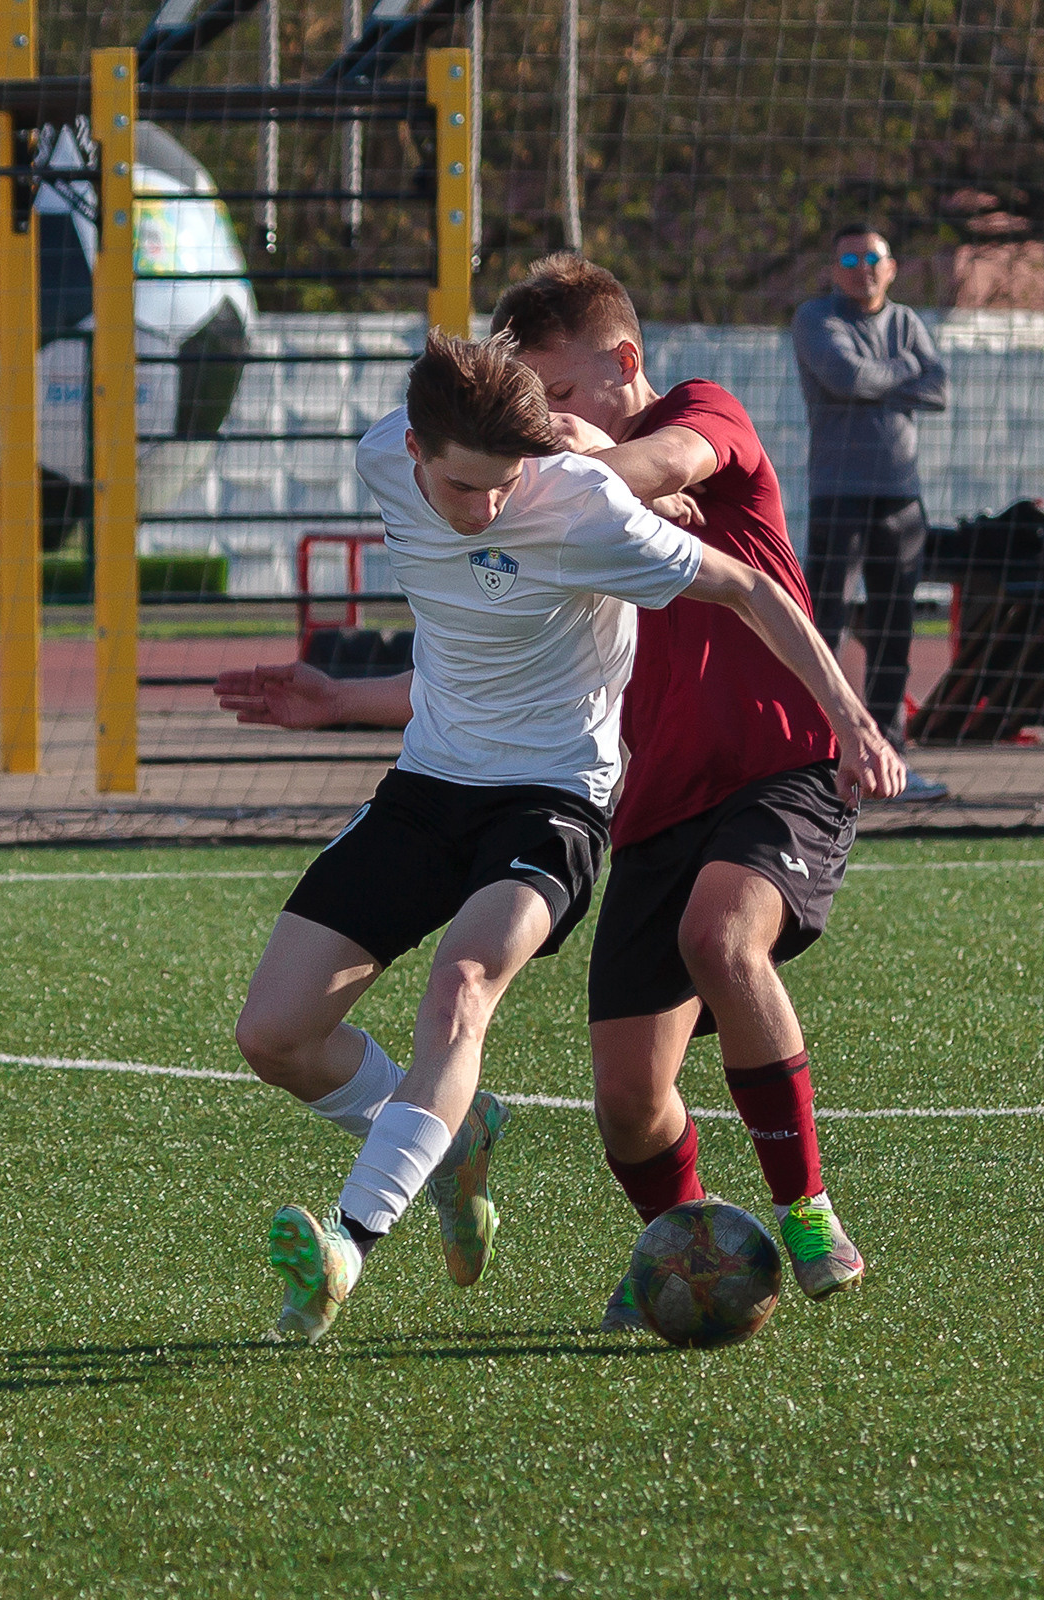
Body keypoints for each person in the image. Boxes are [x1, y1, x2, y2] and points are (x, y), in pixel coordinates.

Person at [215, 329, 900, 1346]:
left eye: (506, 482)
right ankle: (452, 1141)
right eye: (461, 485)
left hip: (552, 804)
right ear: (410, 452)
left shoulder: (576, 508)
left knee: (462, 985)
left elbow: (750, 587)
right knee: (272, 1035)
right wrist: (337, 701)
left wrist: (848, 714)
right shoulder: (380, 457)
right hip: (426, 789)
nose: (487, 507)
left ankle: (347, 1248)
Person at [488, 252, 906, 1326]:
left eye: (566, 396)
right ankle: (688, 1251)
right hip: (656, 808)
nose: (553, 422)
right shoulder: (567, 510)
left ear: (623, 362)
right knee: (628, 1102)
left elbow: (671, 456)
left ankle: (805, 1208)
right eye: (537, 409)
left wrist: (585, 454)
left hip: (785, 764)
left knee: (722, 936)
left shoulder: (700, 412)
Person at [792, 223, 950, 801]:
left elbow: (940, 390)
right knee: (823, 623)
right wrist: (906, 373)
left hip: (901, 497)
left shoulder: (906, 321)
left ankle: (892, 761)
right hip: (839, 493)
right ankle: (813, 757)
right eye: (850, 257)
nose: (863, 267)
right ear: (834, 269)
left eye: (873, 258)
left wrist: (884, 380)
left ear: (892, 266)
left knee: (893, 629)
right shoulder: (815, 318)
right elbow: (845, 376)